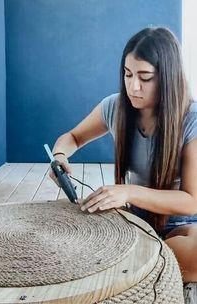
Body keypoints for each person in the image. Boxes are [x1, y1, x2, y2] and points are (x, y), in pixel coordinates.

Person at [49, 27, 197, 284]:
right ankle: (143, 265)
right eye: (127, 74)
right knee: (63, 236)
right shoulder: (115, 107)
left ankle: (129, 263)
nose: (133, 86)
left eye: (145, 77)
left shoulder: (191, 120)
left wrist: (127, 192)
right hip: (134, 218)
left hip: (184, 223)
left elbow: (191, 201)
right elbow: (73, 137)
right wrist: (60, 155)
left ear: (168, 77)